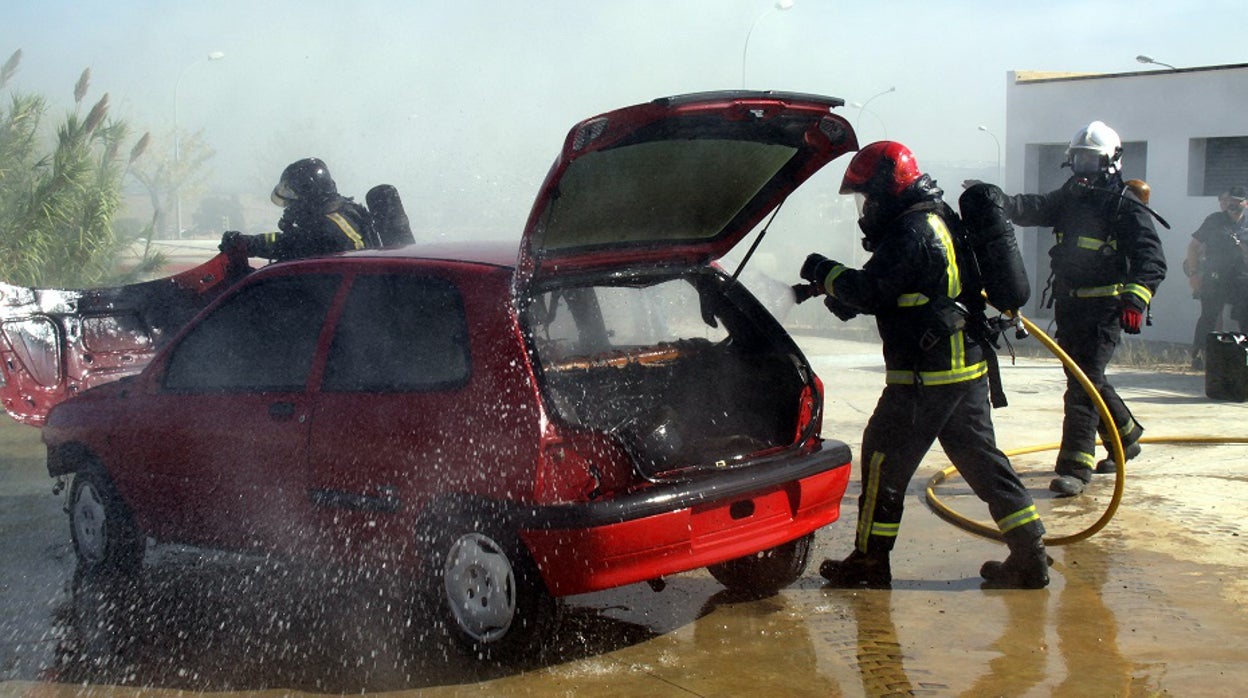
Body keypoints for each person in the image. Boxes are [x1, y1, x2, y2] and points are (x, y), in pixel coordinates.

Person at [800, 141, 1048, 589]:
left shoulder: (911, 230)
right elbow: (907, 289)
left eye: (868, 196)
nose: (866, 207)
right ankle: (1030, 552)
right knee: (981, 461)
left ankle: (870, 563)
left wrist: (824, 271)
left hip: (926, 374)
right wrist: (847, 296)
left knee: (881, 460)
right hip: (965, 368)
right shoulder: (936, 219)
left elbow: (875, 289)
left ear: (887, 188)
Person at [994, 121, 1167, 496]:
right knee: (1088, 380)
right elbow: (1034, 207)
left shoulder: (1124, 203)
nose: (1084, 168)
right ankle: (1127, 436)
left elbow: (1152, 259)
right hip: (1070, 308)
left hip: (1105, 310)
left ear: (1110, 162)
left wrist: (1136, 298)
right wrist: (996, 201)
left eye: (1092, 160)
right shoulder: (1070, 196)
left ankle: (1075, 467)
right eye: (1079, 159)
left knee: (1081, 386)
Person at [220, 157, 378, 262]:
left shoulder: (325, 228)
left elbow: (284, 244)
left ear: (308, 194)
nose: (290, 204)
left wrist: (244, 243)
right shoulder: (346, 212)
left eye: (292, 194)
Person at [1184, 186, 1248, 369]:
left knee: (1245, 318)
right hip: (1215, 277)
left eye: (1237, 200)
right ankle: (1199, 357)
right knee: (1209, 317)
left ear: (1246, 203)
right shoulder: (1214, 220)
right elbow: (1193, 247)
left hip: (1242, 279)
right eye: (1230, 200)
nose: (1232, 204)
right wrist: (1194, 274)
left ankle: (1243, 359)